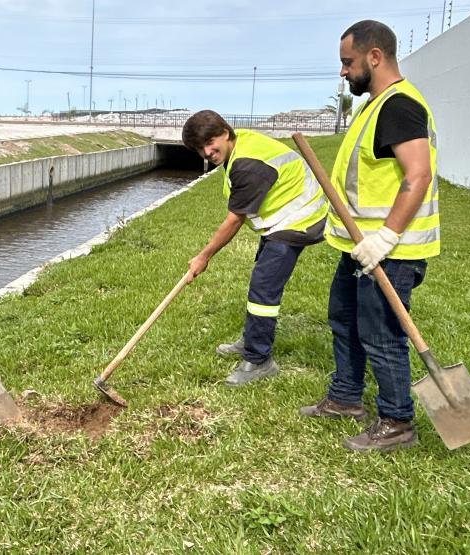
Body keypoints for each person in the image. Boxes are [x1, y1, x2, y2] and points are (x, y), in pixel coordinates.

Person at [300, 20, 439, 453]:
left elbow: (417, 175)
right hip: (359, 248)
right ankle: (345, 397)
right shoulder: (373, 106)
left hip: (391, 250)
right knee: (343, 319)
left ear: (374, 57)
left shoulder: (400, 106)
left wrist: (385, 238)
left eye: (348, 62)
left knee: (381, 334)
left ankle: (397, 421)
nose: (343, 71)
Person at [182, 111, 327, 386]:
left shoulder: (248, 163)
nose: (207, 152)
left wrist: (204, 257)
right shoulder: (240, 145)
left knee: (263, 289)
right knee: (260, 281)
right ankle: (251, 340)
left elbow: (235, 219)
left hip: (299, 220)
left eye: (210, 143)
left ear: (225, 132)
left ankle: (259, 360)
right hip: (282, 219)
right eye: (201, 149)